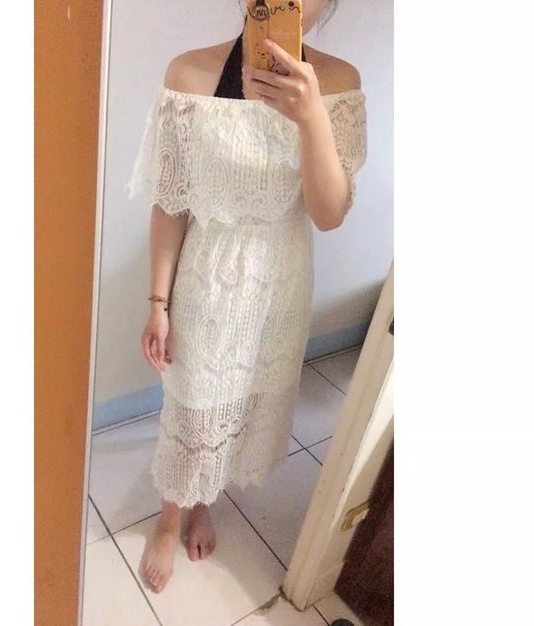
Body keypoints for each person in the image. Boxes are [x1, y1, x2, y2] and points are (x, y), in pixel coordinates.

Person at [126, 0, 367, 594]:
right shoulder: (189, 74)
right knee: (193, 402)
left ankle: (205, 501)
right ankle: (170, 517)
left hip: (281, 283)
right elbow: (170, 202)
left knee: (244, 402)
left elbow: (329, 214)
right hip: (208, 280)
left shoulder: (339, 83)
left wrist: (310, 117)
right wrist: (157, 304)